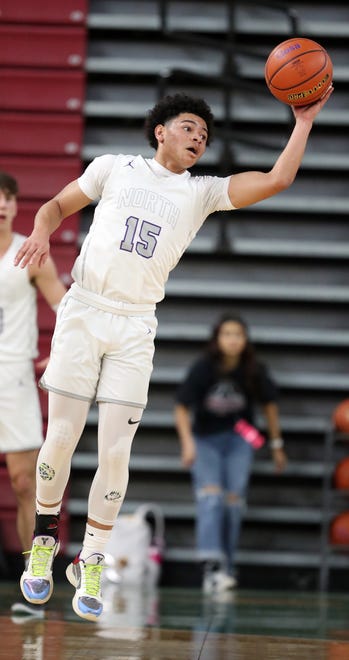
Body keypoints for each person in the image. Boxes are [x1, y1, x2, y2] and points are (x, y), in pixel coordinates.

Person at [13, 88, 332, 621]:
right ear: (161, 130)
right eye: (189, 128)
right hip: (85, 309)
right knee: (62, 438)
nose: (198, 139)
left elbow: (277, 180)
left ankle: (91, 557)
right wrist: (43, 232)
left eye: (205, 136)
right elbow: (54, 206)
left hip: (136, 323)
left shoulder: (201, 192)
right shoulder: (113, 167)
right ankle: (43, 547)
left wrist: (302, 122)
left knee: (116, 452)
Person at [174, 312, 287, 594]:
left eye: (238, 334)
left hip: (240, 439)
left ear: (245, 340)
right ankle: (211, 565)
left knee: (233, 503)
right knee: (211, 498)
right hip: (206, 440)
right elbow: (181, 407)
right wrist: (187, 443)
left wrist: (276, 445)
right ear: (217, 339)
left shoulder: (253, 369)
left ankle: (227, 565)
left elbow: (270, 406)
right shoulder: (204, 367)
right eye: (227, 334)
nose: (233, 340)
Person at [0, 171, 66, 612]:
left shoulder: (31, 253)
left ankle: (34, 578)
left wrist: (59, 352)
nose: (2, 204)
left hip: (13, 376)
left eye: (7, 197)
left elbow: (65, 306)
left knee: (26, 482)